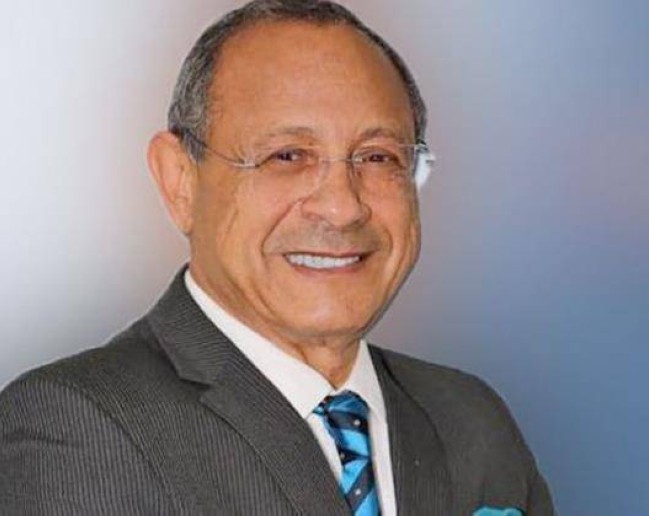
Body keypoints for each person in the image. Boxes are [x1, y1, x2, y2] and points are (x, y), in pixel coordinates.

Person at [0, 1, 554, 514]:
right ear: (180, 181)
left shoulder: (470, 419)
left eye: (377, 157)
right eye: (287, 156)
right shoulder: (76, 425)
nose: (342, 207)